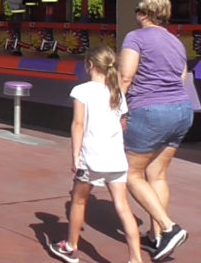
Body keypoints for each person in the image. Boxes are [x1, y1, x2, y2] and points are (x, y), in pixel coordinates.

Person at [48, 46, 142, 263]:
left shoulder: (82, 91)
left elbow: (78, 124)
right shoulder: (116, 93)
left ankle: (71, 247)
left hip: (92, 157)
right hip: (116, 158)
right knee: (122, 206)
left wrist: (75, 155)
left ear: (89, 65)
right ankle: (135, 258)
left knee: (78, 200)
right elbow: (122, 123)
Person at [120, 0, 191, 261]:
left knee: (131, 174)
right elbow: (182, 76)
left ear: (144, 14)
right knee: (157, 175)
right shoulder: (176, 42)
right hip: (181, 109)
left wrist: (113, 107)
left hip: (150, 110)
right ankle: (156, 238)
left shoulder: (135, 38)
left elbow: (126, 76)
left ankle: (169, 228)